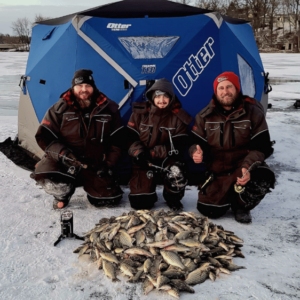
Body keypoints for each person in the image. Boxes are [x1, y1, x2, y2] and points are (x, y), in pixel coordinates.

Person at [30, 69, 124, 209]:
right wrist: (63, 154)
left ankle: (94, 183)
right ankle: (63, 193)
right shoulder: (58, 109)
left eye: (88, 86)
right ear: (73, 87)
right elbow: (44, 137)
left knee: (108, 200)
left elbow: (118, 140)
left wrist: (109, 163)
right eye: (79, 86)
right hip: (67, 159)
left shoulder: (109, 108)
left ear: (94, 87)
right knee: (47, 174)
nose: (84, 90)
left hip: (96, 162)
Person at [190, 71, 275, 223]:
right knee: (209, 211)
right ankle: (224, 193)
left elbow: (262, 146)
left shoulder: (253, 112)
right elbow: (194, 143)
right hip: (217, 170)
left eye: (229, 87)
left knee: (263, 176)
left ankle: (241, 205)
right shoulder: (204, 116)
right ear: (216, 92)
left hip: (242, 166)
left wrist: (248, 167)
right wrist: (195, 151)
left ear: (237, 88)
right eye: (221, 88)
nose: (225, 92)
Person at [127, 78, 193, 211]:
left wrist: (153, 153)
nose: (161, 100)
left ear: (171, 98)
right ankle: (146, 190)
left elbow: (179, 146)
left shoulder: (179, 117)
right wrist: (138, 153)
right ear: (152, 97)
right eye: (158, 96)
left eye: (165, 96)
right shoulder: (139, 114)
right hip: (143, 160)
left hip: (168, 159)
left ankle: (172, 197)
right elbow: (129, 138)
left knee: (177, 170)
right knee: (140, 203)